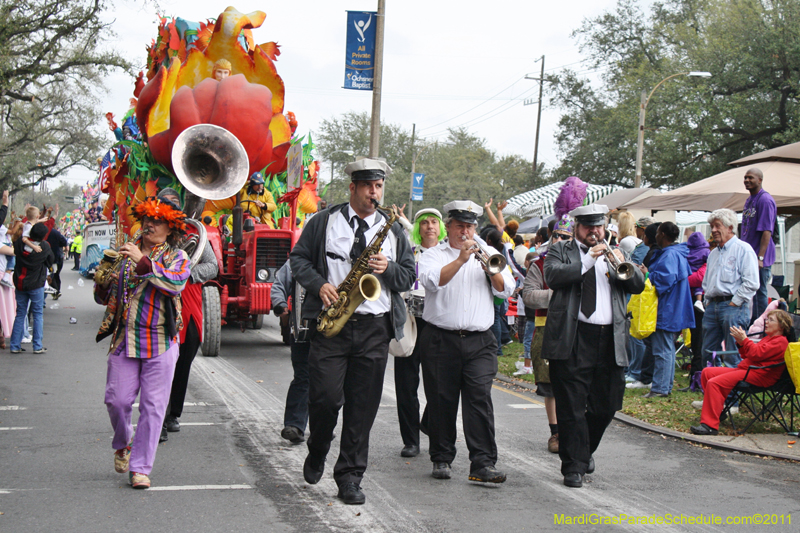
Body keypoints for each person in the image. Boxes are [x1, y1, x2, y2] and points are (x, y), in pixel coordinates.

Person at [289, 158, 415, 505]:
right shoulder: (323, 222)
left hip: (375, 327)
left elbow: (408, 277)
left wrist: (388, 268)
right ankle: (318, 448)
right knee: (325, 398)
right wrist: (320, 285)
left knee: (362, 408)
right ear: (353, 188)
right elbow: (298, 260)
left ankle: (349, 476)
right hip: (332, 325)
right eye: (368, 187)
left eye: (379, 187)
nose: (374, 193)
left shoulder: (394, 232)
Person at [542, 204, 645, 488]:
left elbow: (637, 284)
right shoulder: (560, 250)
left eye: (598, 226)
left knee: (607, 404)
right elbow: (553, 277)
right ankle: (573, 466)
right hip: (573, 337)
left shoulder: (616, 253)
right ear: (577, 227)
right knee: (572, 405)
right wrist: (587, 260)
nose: (594, 232)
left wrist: (623, 264)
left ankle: (583, 450)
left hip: (610, 339)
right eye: (588, 227)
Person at [95, 197, 191, 490]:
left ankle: (140, 468)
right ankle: (123, 442)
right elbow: (102, 298)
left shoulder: (177, 257)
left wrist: (142, 261)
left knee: (153, 408)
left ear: (170, 229)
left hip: (160, 342)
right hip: (125, 339)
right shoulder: (124, 254)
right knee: (117, 400)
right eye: (147, 219)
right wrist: (103, 279)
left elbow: (175, 284)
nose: (149, 225)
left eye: (158, 221)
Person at [418, 200, 515, 484]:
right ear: (448, 227)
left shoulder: (490, 252)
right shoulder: (434, 254)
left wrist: (489, 267)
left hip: (480, 341)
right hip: (440, 338)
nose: (465, 232)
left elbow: (506, 290)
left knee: (479, 400)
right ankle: (442, 457)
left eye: (470, 227)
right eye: (459, 226)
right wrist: (460, 259)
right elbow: (432, 281)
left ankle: (483, 463)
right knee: (441, 400)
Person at [156, 188, 219, 442]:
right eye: (166, 203)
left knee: (184, 360)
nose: (172, 207)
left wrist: (187, 273)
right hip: (160, 301)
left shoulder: (192, 233)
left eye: (174, 203)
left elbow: (212, 267)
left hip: (189, 301)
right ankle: (157, 419)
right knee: (160, 364)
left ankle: (173, 414)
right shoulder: (152, 232)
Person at [690, 309, 793, 435]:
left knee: (714, 383)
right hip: (748, 370)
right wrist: (740, 343)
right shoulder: (768, 339)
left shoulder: (781, 341)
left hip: (759, 375)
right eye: (767, 319)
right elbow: (748, 355)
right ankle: (717, 412)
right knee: (707, 372)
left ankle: (709, 426)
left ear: (782, 325)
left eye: (771, 320)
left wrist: (745, 340)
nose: (766, 322)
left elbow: (756, 353)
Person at [393, 207, 444, 458]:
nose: (430, 227)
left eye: (434, 222)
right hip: (409, 322)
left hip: (437, 325)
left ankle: (429, 423)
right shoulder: (408, 252)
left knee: (440, 383)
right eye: (424, 223)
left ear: (441, 228)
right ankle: (410, 440)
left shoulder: (448, 254)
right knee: (406, 384)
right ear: (417, 228)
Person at [521, 219, 573, 454]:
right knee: (549, 384)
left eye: (566, 237)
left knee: (574, 383)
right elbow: (529, 295)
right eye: (557, 236)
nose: (560, 241)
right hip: (545, 328)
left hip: (576, 330)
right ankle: (556, 432)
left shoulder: (583, 264)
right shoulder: (539, 264)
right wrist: (559, 295)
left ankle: (574, 430)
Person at [639, 222, 695, 398]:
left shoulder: (670, 255)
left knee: (661, 350)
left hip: (667, 309)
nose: (655, 236)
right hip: (674, 308)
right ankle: (664, 386)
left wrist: (647, 274)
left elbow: (664, 281)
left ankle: (660, 388)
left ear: (662, 234)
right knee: (667, 349)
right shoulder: (676, 253)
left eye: (657, 233)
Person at [701, 209, 759, 368]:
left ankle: (734, 390)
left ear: (730, 227)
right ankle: (711, 385)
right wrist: (707, 302)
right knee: (708, 351)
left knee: (733, 353)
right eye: (712, 226)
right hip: (713, 305)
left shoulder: (743, 249)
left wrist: (736, 302)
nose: (713, 230)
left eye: (717, 226)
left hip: (733, 306)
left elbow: (752, 282)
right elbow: (707, 281)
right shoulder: (713, 254)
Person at [272, 261, 311, 445]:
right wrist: (280, 304)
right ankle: (295, 425)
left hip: (332, 334)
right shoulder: (297, 260)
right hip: (302, 330)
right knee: (303, 376)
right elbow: (279, 284)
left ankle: (322, 426)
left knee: (328, 380)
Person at [740, 167, 777, 323]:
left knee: (758, 291)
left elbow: (767, 231)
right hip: (749, 254)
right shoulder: (750, 200)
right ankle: (750, 324)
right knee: (749, 291)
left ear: (760, 180)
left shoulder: (765, 200)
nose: (747, 180)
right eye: (745, 178)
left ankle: (760, 325)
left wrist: (760, 257)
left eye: (751, 178)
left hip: (759, 256)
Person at [9, 223, 53, 354]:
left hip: (20, 282)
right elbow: (50, 261)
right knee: (38, 314)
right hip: (36, 284)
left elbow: (19, 243)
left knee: (20, 313)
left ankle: (14, 345)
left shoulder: (18, 244)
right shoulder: (44, 247)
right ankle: (37, 345)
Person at [44, 225, 67, 299]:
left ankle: (56, 291)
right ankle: (57, 290)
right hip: (56, 257)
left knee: (50, 275)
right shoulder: (56, 233)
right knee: (55, 275)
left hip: (46, 257)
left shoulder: (43, 231)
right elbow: (64, 242)